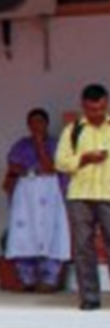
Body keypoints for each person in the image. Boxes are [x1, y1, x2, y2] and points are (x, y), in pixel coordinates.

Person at [55, 83, 110, 312]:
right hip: (80, 196)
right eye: (91, 109)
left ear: (106, 104)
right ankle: (90, 297)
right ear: (83, 106)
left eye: (100, 108)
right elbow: (60, 162)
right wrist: (84, 159)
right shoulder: (73, 130)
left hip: (108, 194)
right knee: (83, 247)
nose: (96, 113)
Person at [2, 108, 69, 293]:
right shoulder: (21, 145)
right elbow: (13, 165)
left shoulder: (56, 144)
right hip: (27, 195)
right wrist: (23, 170)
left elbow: (50, 167)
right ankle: (27, 278)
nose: (36, 125)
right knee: (25, 233)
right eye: (32, 122)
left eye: (40, 121)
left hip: (50, 193)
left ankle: (49, 279)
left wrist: (40, 145)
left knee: (50, 232)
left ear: (46, 124)